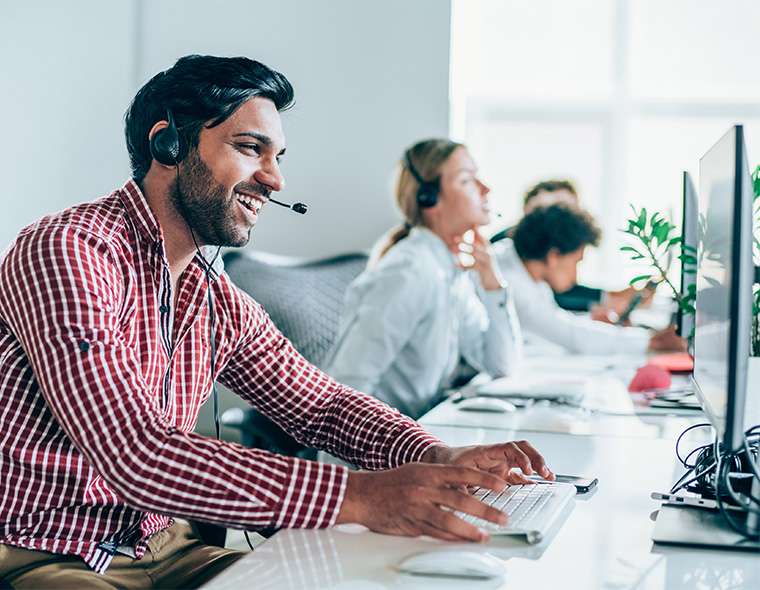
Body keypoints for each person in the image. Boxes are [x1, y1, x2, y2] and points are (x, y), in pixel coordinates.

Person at [0, 56, 553, 589]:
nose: (275, 180)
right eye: (249, 149)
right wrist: (360, 496)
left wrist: (434, 455)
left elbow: (324, 407)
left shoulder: (211, 293)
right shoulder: (67, 251)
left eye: (279, 156)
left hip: (161, 546)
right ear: (166, 144)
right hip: (43, 552)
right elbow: (135, 450)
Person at [323, 139, 523, 419]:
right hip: (376, 452)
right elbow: (348, 388)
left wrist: (492, 283)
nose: (485, 188)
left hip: (417, 435)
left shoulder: (449, 272)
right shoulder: (409, 273)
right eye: (467, 180)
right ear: (429, 199)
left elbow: (501, 365)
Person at [494, 203, 685, 355]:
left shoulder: (523, 269)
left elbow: (555, 321)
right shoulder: (510, 282)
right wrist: (651, 341)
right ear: (554, 256)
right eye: (576, 262)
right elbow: (568, 334)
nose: (575, 275)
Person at [491, 179, 650, 315]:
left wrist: (610, 298)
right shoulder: (506, 253)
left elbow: (561, 296)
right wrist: (607, 300)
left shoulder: (539, 271)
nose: (568, 219)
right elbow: (558, 304)